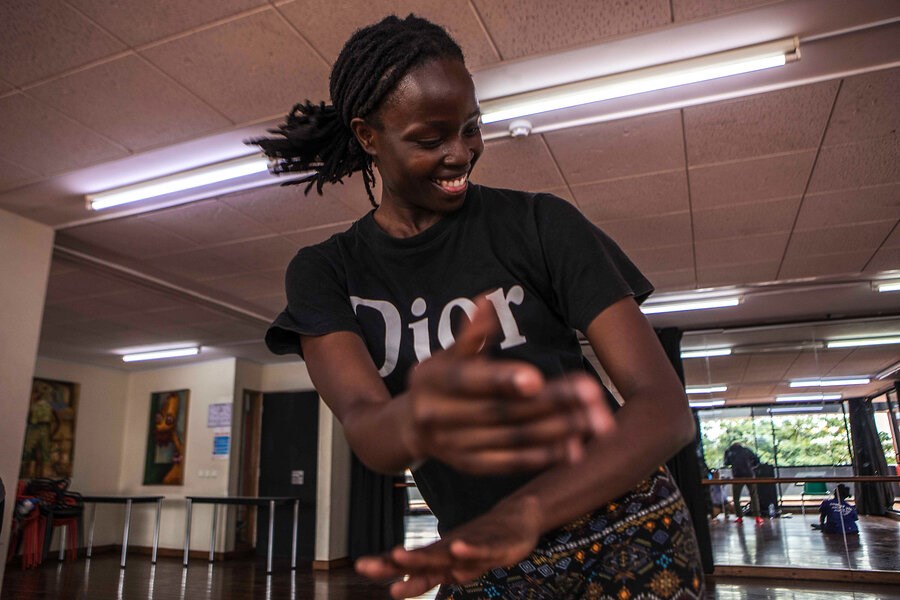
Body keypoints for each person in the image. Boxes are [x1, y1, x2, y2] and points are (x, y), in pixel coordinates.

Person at [254, 14, 703, 599]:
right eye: (430, 138)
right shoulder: (327, 272)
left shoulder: (540, 224)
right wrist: (419, 413)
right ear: (368, 136)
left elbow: (665, 410)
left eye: (471, 128)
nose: (461, 153)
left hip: (627, 534)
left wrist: (519, 516)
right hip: (484, 556)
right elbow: (371, 433)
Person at [723, 442, 763, 524]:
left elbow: (726, 463)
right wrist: (752, 467)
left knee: (736, 497)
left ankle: (739, 517)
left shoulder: (729, 452)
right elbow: (757, 460)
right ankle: (757, 516)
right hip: (749, 474)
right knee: (754, 495)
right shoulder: (746, 450)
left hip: (737, 476)